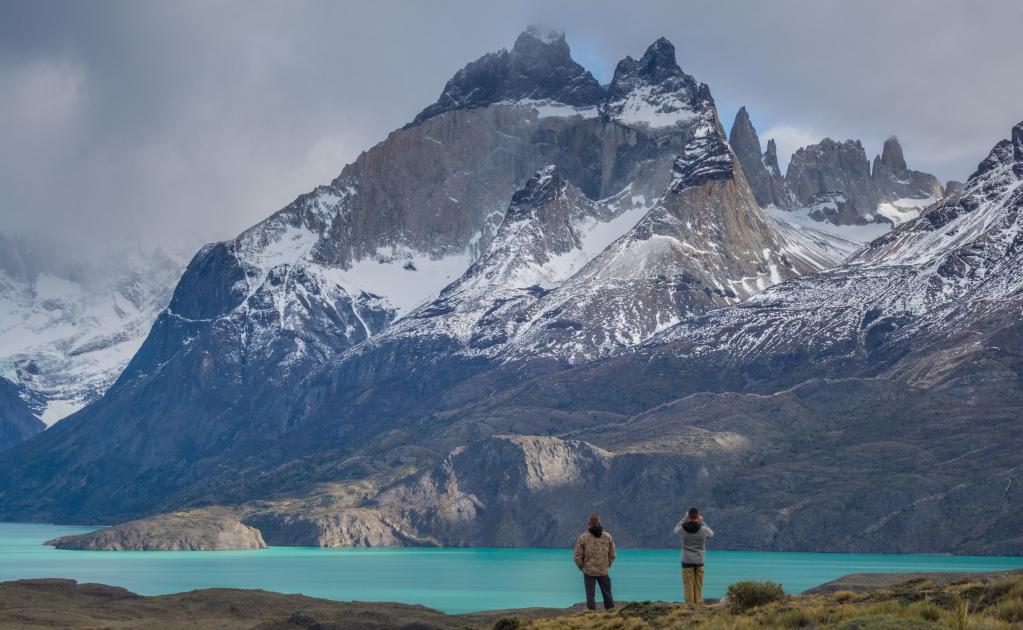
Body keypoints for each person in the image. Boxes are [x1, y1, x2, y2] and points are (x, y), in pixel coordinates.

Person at [573, 513, 616, 611]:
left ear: (589, 523)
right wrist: (607, 564)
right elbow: (613, 553)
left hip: (589, 571)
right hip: (603, 570)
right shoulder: (607, 536)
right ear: (599, 522)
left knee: (590, 594)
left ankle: (592, 614)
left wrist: (582, 567)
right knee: (607, 592)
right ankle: (611, 613)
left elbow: (577, 555)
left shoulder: (584, 537)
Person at [673, 506, 714, 606]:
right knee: (698, 586)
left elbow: (675, 530)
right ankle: (699, 605)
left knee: (688, 585)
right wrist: (702, 522)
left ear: (688, 516)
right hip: (700, 561)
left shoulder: (682, 529)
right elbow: (711, 533)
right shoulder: (703, 529)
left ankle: (689, 606)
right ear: (697, 516)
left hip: (686, 561)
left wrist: (684, 519)